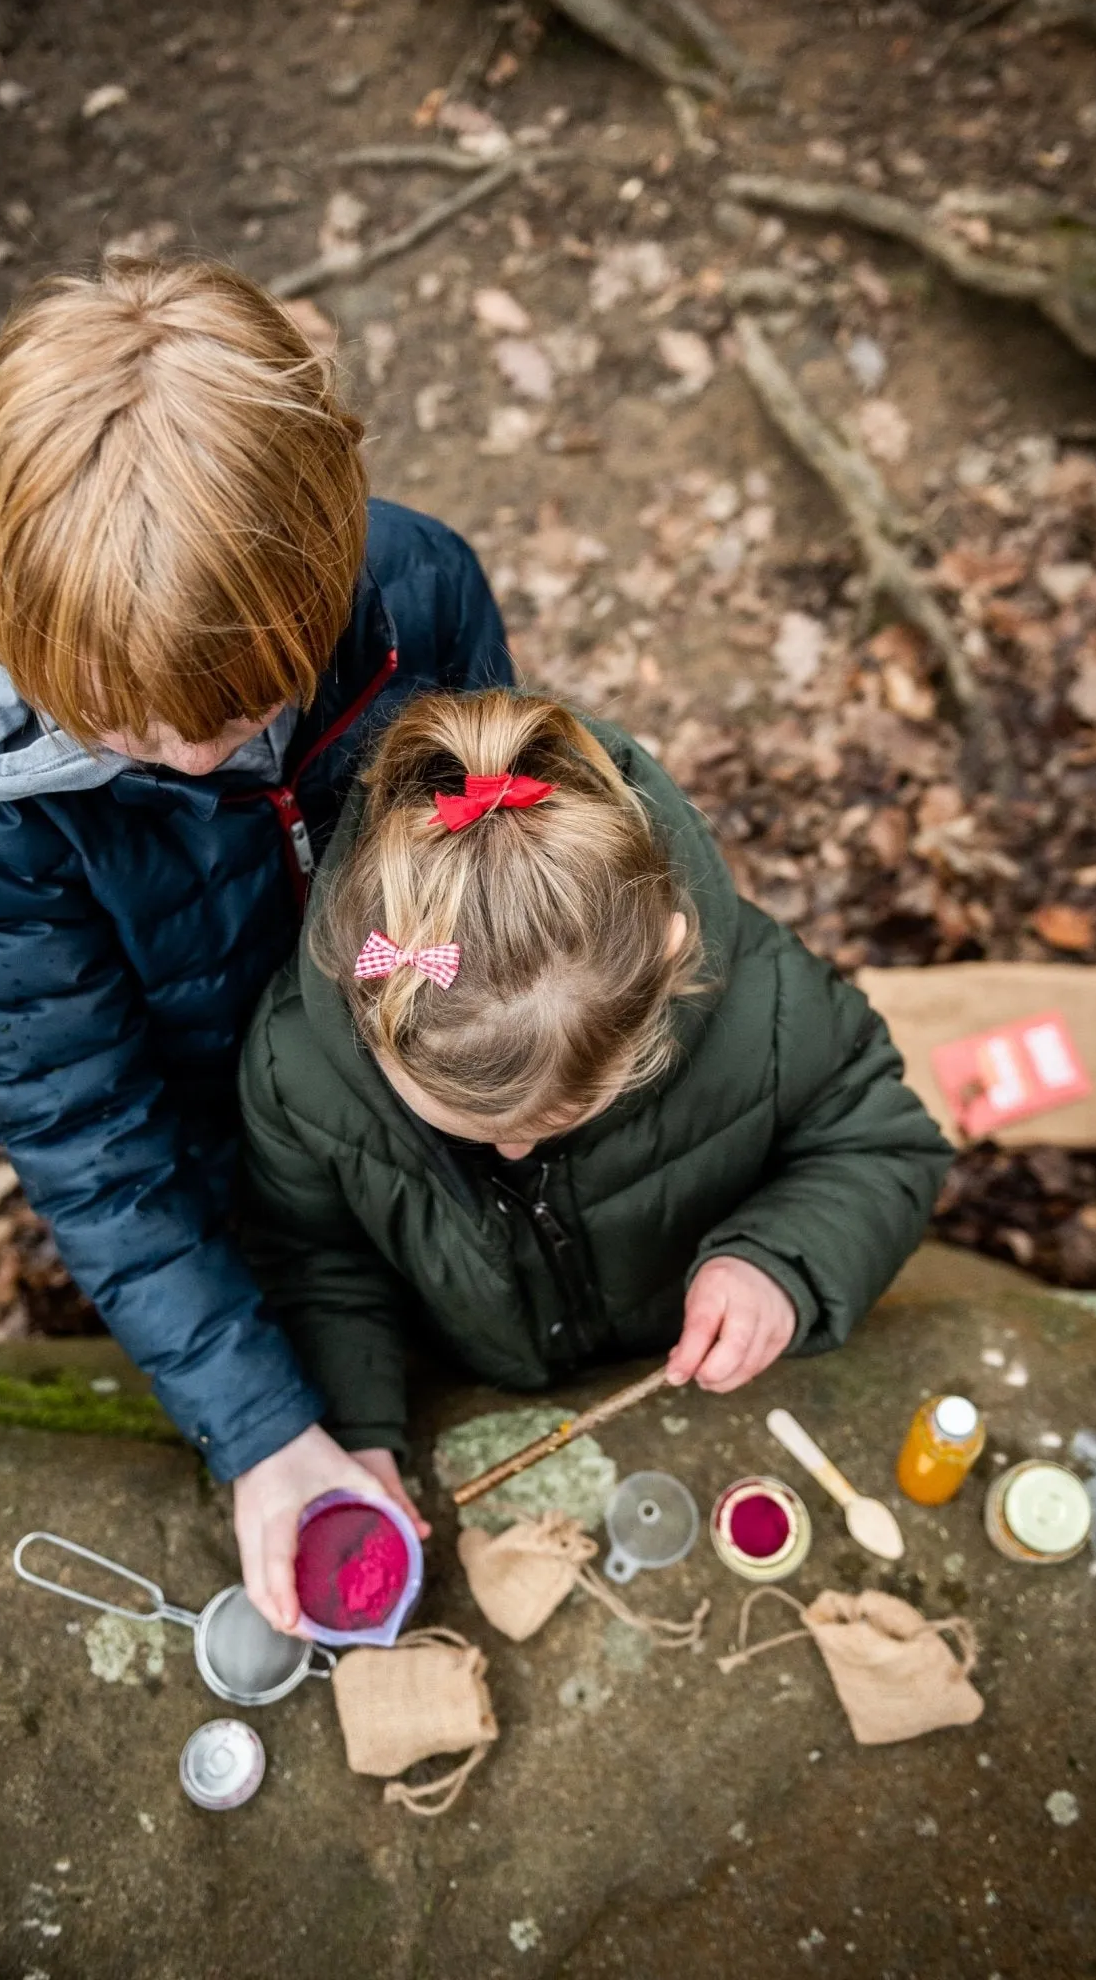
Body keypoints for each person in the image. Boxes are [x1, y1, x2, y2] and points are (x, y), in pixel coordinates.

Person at [0, 257, 513, 1596]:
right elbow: (90, 1145)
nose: (185, 756)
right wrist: (265, 1431)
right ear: (20, 624)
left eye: (240, 714)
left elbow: (484, 837)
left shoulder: (413, 593)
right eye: (124, 725)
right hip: (217, 1152)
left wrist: (476, 1021)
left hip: (401, 1050)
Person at [239, 689, 952, 1630]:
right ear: (374, 1011)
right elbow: (315, 1259)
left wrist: (781, 1263)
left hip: (670, 1344)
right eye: (461, 1127)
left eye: (557, 1115)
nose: (513, 1151)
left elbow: (885, 1142)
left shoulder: (768, 1012)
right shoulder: (301, 1072)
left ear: (669, 958)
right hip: (484, 1357)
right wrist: (362, 1425)